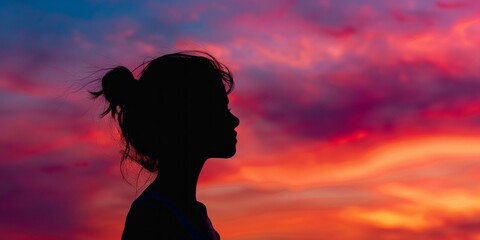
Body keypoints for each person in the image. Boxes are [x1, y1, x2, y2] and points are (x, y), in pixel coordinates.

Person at [91, 51, 240, 239]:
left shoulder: (194, 213)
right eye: (219, 108)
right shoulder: (153, 219)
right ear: (185, 118)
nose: (234, 120)